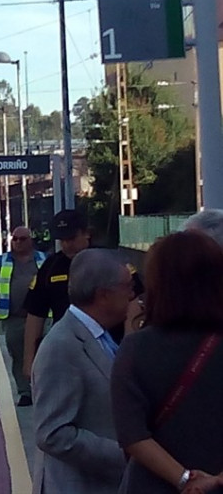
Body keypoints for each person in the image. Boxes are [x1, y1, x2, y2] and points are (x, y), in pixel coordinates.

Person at [111, 231, 223, 494]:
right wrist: (216, 479)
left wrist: (185, 480)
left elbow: (132, 435)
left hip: (153, 486)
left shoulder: (136, 347)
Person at [31, 249, 132, 494]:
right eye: (127, 287)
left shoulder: (100, 336)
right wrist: (130, 455)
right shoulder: (62, 346)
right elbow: (53, 434)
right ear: (104, 295)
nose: (133, 295)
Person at [22, 209, 143, 378]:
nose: (66, 245)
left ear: (86, 233)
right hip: (67, 349)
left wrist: (130, 347)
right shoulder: (50, 267)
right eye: (62, 240)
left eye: (71, 239)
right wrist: (29, 360)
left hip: (112, 347)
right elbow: (35, 313)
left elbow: (133, 302)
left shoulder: (111, 262)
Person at [0, 226, 46, 406]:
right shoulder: (4, 260)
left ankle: (42, 388)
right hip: (13, 317)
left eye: (22, 239)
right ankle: (25, 391)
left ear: (30, 241)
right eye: (15, 239)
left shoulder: (43, 259)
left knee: (42, 352)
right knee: (18, 354)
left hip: (41, 315)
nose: (17, 242)